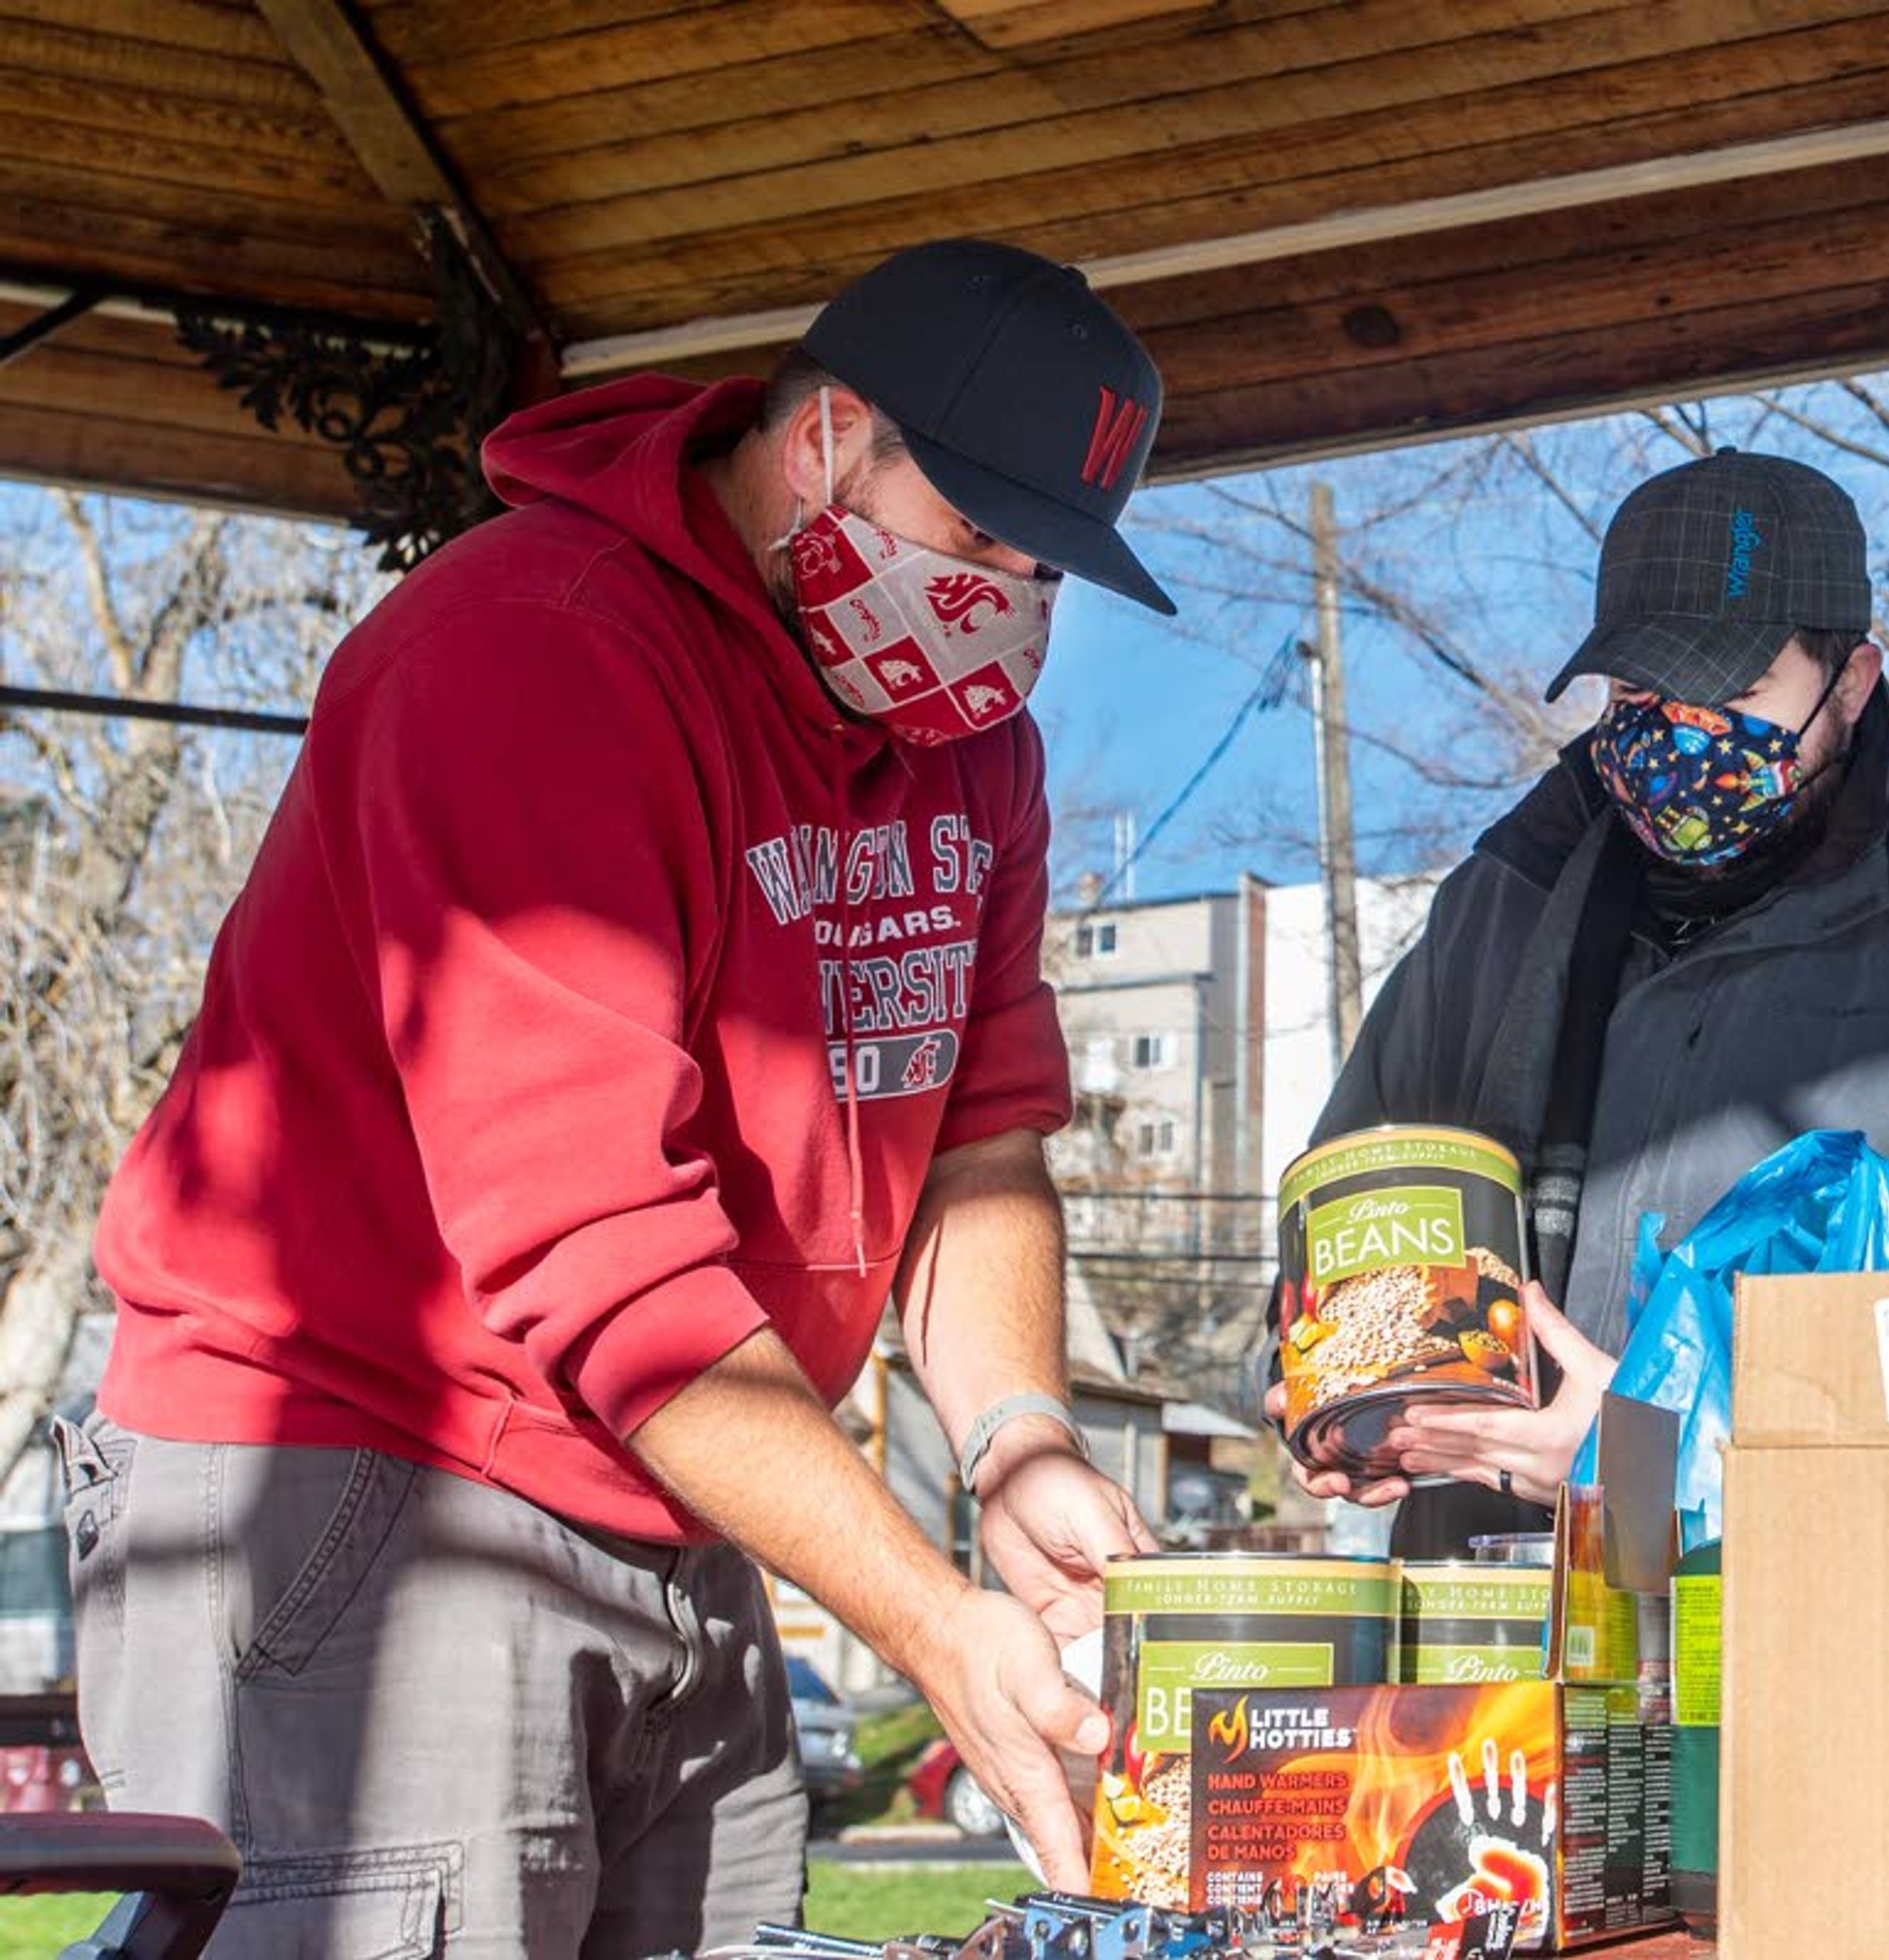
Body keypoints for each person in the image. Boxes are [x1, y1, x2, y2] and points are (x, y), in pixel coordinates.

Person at [57, 240, 1171, 1953]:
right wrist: (938, 1625)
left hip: (692, 1471)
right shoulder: (531, 653)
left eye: (1044, 566)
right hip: (372, 1467)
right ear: (826, 441)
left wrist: (1014, 1432)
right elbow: (597, 1247)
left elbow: (979, 1124)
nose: (1008, 604)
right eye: (974, 537)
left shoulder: (972, 745)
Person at [1271, 450, 1889, 1553]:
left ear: (1855, 682)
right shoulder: (1501, 910)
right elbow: (1354, 1199)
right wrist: (1325, 1382)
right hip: (1485, 1661)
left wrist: (1645, 1452)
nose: (1679, 736)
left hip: (1804, 1666)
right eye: (1641, 694)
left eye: (1733, 692)